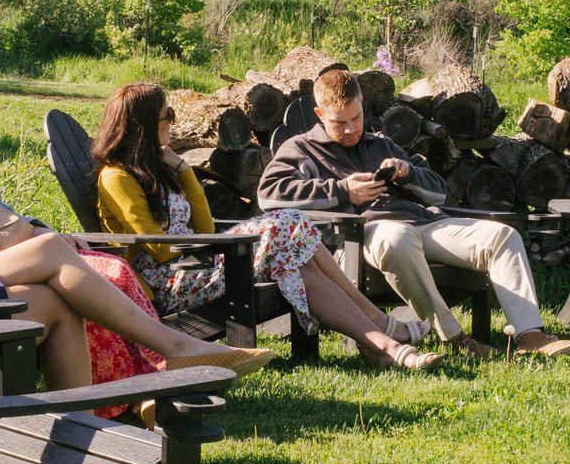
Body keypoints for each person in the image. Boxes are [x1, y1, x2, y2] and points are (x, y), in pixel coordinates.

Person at [0, 64, 272, 389]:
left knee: (67, 292)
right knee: (57, 252)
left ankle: (92, 415)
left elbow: (0, 214)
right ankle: (173, 349)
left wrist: (37, 230)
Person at [91, 81, 441, 370]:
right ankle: (380, 328)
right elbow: (159, 248)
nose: (172, 120)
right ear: (143, 125)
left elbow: (205, 226)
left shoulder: (159, 169)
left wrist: (184, 173)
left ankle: (382, 346)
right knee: (288, 222)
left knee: (296, 261)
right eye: (167, 115)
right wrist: (212, 244)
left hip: (201, 263)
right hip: (170, 281)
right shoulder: (117, 177)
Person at [259, 67, 570, 359]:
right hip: (363, 233)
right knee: (397, 238)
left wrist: (408, 172)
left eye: (356, 118)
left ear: (362, 106)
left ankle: (530, 334)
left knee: (501, 235)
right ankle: (454, 337)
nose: (350, 129)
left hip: (425, 222)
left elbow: (438, 190)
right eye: (339, 122)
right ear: (319, 114)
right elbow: (269, 194)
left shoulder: (381, 143)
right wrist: (344, 191)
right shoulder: (300, 148)